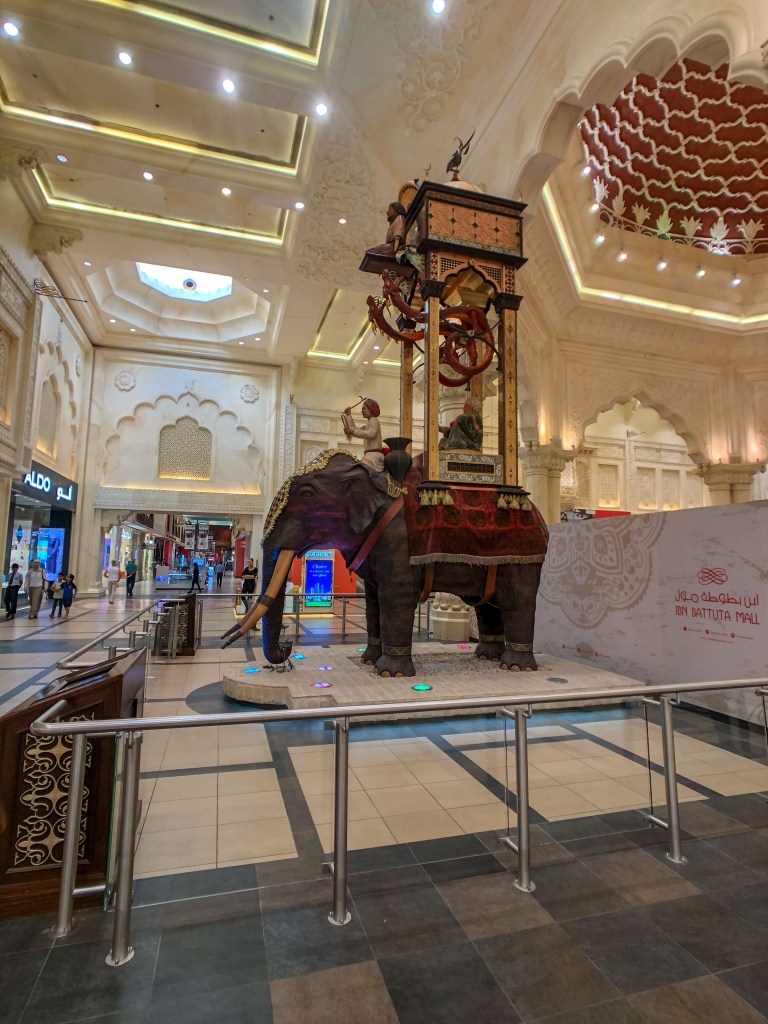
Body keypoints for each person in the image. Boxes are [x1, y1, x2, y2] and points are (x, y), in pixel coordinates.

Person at [342, 398, 386, 471]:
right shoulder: (368, 424)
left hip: (373, 456)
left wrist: (352, 431)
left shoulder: (374, 420)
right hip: (370, 455)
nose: (361, 411)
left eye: (363, 409)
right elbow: (354, 429)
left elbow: (371, 434)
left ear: (370, 409)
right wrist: (349, 415)